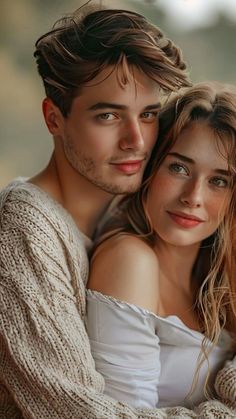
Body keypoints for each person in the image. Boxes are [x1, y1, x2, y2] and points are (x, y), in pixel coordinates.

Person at [0, 1, 235, 417]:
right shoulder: (24, 231)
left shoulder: (124, 214)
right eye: (108, 115)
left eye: (147, 116)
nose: (136, 141)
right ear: (54, 118)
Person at [87, 82, 236, 410]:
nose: (193, 197)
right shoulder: (131, 259)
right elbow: (126, 415)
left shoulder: (215, 277)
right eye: (179, 167)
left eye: (219, 181)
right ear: (151, 168)